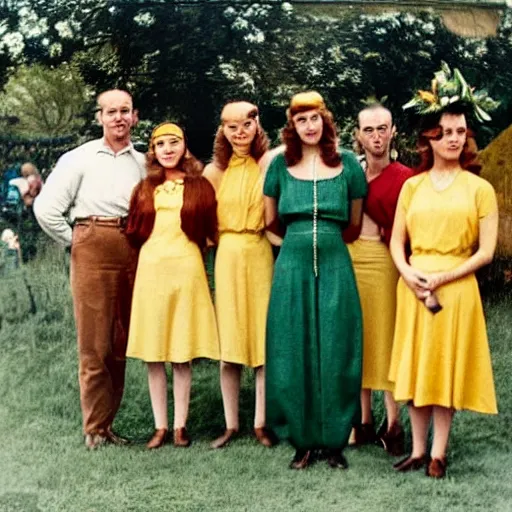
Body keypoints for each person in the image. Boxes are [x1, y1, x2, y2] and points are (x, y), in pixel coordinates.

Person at [389, 66, 499, 478]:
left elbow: (485, 252)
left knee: (444, 368)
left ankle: (438, 453)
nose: (454, 139)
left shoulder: (478, 188)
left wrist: (441, 278)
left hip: (454, 290)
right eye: (446, 132)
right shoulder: (412, 187)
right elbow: (396, 241)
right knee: (418, 367)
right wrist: (408, 273)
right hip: (414, 286)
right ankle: (416, 450)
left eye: (460, 132)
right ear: (430, 139)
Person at [34, 89, 145, 449]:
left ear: (134, 116)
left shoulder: (144, 164)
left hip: (131, 244)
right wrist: (75, 241)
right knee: (94, 343)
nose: (118, 118)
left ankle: (108, 425)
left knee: (119, 341)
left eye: (124, 111)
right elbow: (47, 208)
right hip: (91, 242)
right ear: (99, 117)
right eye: (110, 111)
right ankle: (93, 429)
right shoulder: (78, 158)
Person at [264, 91, 367, 469]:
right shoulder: (278, 166)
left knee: (337, 346)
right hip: (291, 264)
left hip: (336, 260)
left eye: (315, 118)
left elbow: (354, 224)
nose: (309, 126)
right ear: (292, 126)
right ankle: (303, 441)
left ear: (325, 121)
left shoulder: (349, 165)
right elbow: (270, 221)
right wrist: (297, 245)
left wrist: (325, 243)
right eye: (301, 120)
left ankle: (335, 440)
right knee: (293, 348)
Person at [125, 122, 219, 449]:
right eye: (160, 144)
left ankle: (180, 426)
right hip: (152, 270)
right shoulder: (143, 188)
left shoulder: (200, 186)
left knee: (181, 351)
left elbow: (210, 231)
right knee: (154, 351)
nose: (167, 149)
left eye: (173, 143)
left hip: (186, 269)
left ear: (184, 147)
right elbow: (134, 231)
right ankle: (159, 426)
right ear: (153, 150)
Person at [204, 101, 275, 449]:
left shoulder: (270, 164)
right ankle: (231, 424)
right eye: (231, 126)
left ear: (257, 124)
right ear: (222, 130)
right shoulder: (214, 172)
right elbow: (201, 222)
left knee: (262, 338)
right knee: (229, 339)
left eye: (246, 124)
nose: (239, 132)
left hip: (260, 251)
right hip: (228, 254)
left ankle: (261, 422)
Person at [344, 104, 413, 455]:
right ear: (357, 134)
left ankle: (395, 422)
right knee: (358, 336)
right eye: (368, 130)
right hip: (351, 260)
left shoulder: (405, 177)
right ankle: (363, 420)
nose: (376, 136)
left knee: (385, 336)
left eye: (382, 128)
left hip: (386, 261)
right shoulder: (348, 173)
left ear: (393, 131)